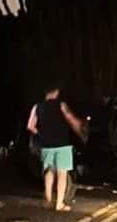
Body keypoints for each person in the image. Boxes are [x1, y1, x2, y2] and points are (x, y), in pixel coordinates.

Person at [27, 83, 87, 211]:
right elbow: (71, 119)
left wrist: (42, 133)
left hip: (46, 144)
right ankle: (59, 204)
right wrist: (81, 127)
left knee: (49, 171)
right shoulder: (61, 105)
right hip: (62, 144)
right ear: (56, 92)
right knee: (62, 173)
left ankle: (48, 199)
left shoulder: (37, 107)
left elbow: (30, 126)